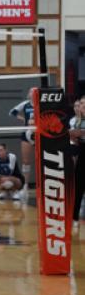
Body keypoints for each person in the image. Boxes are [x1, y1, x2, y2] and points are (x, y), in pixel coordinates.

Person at [9, 90, 35, 199]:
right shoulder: (25, 104)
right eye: (30, 92)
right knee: (26, 161)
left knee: (43, 161)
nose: (32, 93)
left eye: (34, 91)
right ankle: (25, 187)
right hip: (27, 133)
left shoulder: (42, 103)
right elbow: (12, 112)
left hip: (40, 133)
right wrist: (24, 119)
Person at [69, 95, 85, 235]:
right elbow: (75, 140)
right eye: (81, 104)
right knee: (78, 186)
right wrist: (73, 136)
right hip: (82, 153)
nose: (82, 107)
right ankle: (74, 218)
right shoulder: (76, 121)